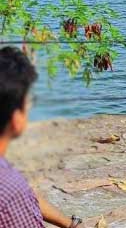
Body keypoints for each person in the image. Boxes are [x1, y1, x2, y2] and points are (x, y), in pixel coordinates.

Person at [0, 46, 83, 228]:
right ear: (16, 119)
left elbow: (25, 194)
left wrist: (70, 224)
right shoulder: (10, 190)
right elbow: (14, 195)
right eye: (27, 103)